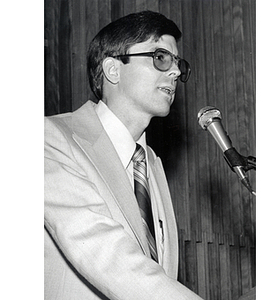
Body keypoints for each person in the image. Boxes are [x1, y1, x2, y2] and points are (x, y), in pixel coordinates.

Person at [44, 10, 202, 300]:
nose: (176, 72)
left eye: (178, 63)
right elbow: (105, 253)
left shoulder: (151, 163)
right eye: (160, 57)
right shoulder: (49, 139)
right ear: (113, 69)